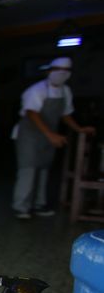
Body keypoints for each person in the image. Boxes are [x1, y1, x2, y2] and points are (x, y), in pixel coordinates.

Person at [13, 56, 96, 219]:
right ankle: (21, 207)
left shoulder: (65, 91)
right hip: (29, 136)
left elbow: (65, 113)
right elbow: (32, 113)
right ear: (50, 71)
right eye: (58, 70)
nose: (61, 74)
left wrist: (78, 128)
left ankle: (38, 205)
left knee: (43, 169)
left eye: (65, 71)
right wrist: (49, 134)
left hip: (49, 135)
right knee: (28, 169)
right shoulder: (37, 90)